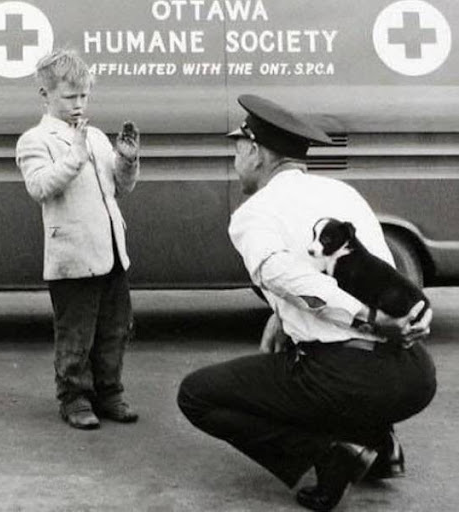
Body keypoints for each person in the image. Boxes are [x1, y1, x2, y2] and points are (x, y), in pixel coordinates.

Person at [177, 94, 436, 511]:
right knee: (305, 363)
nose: (235, 159)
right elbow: (373, 272)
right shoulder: (342, 194)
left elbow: (285, 275)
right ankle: (379, 443)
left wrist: (366, 318)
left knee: (197, 395)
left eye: (238, 148)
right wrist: (284, 317)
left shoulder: (253, 213)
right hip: (414, 375)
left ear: (257, 152)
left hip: (348, 377)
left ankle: (331, 453)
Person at [16, 49, 140, 430]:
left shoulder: (97, 137)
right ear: (45, 94)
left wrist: (127, 161)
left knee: (115, 329)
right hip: (72, 257)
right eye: (70, 97)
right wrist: (75, 155)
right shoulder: (35, 140)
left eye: (84, 96)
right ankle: (74, 398)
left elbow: (120, 189)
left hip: (111, 252)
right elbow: (39, 187)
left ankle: (110, 392)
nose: (79, 104)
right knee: (76, 334)